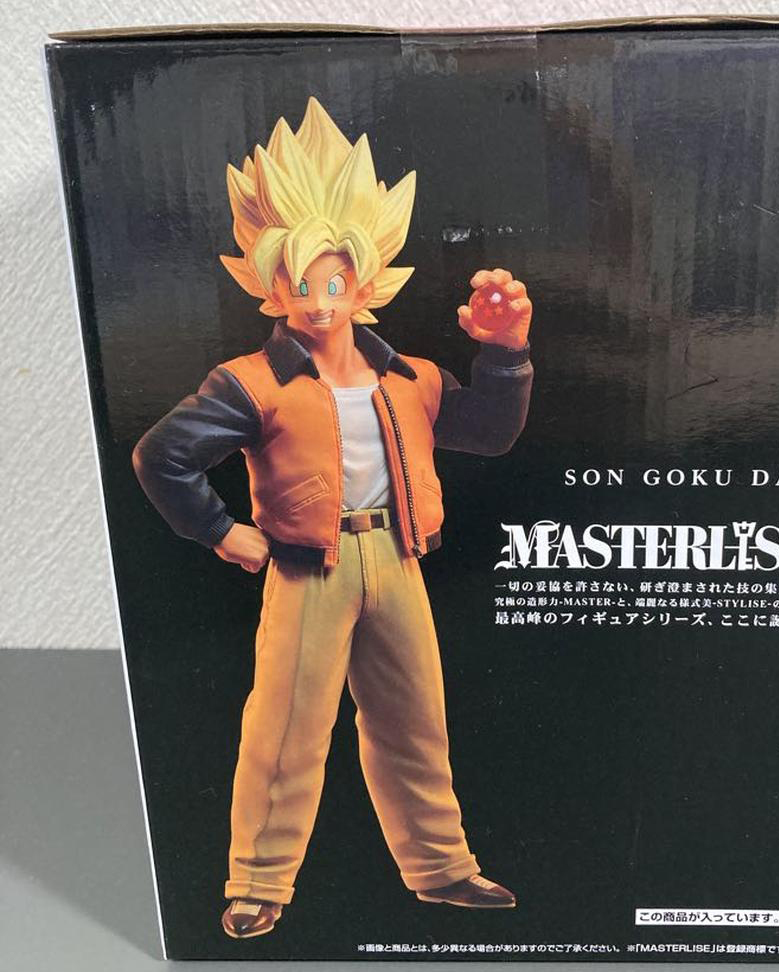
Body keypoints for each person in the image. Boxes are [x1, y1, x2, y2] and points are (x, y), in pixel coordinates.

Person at [132, 95, 534, 939]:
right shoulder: (252, 382)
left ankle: (442, 868)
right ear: (272, 287)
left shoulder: (410, 378)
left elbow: (489, 435)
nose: (317, 301)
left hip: (397, 559)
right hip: (306, 568)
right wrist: (221, 531)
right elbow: (162, 455)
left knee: (415, 721)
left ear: (363, 283)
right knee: (286, 729)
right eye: (300, 284)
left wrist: (504, 355)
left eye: (333, 283)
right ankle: (258, 884)